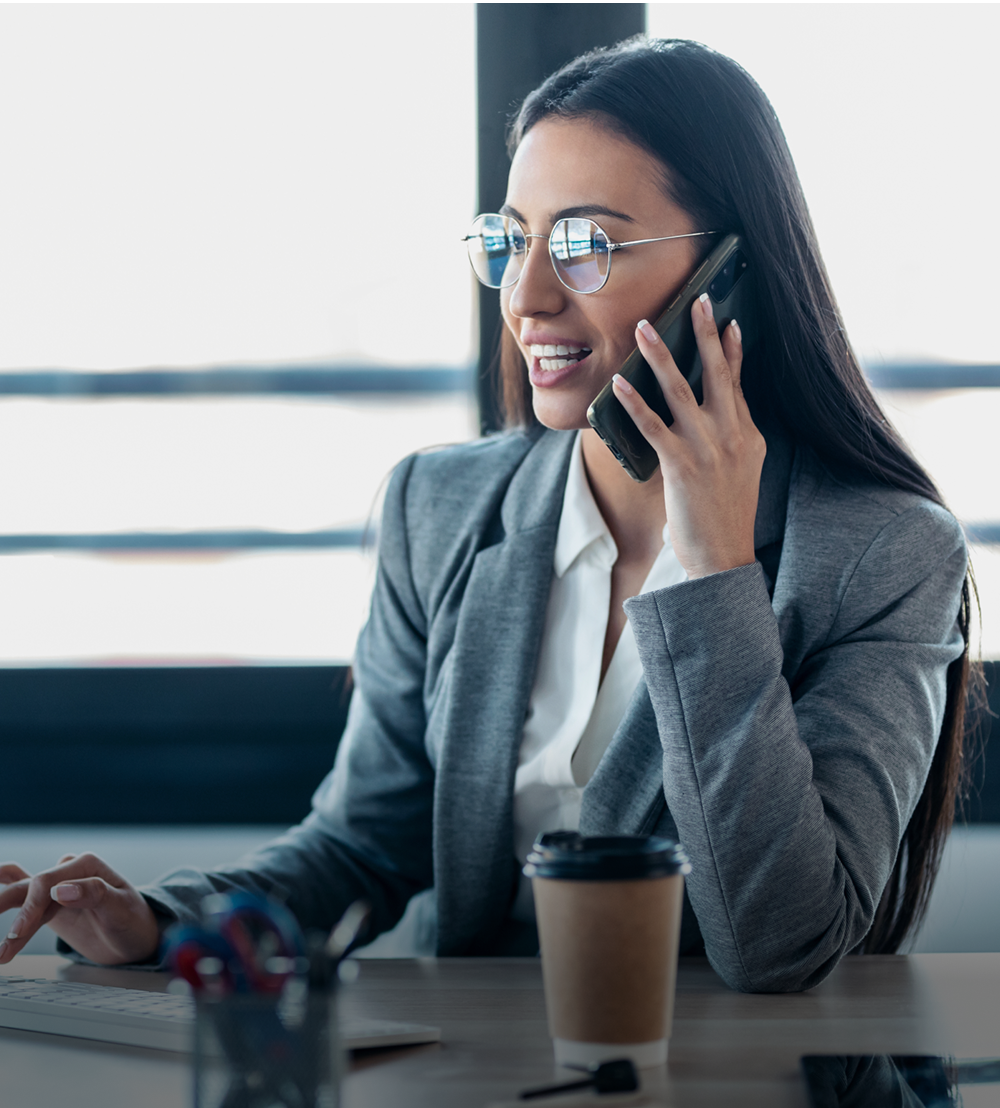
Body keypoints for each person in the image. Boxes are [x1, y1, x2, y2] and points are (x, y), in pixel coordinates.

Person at [0, 38, 973, 992]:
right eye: (511, 240)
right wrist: (158, 923)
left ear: (731, 275)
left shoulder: (881, 553)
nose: (528, 294)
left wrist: (715, 569)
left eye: (588, 244)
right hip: (469, 1069)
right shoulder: (440, 505)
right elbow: (363, 847)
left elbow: (786, 945)